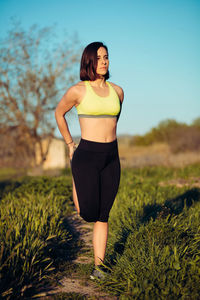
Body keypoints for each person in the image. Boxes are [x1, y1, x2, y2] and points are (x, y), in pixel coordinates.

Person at [55, 42, 124, 279]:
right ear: (89, 62)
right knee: (87, 213)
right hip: (86, 156)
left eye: (106, 57)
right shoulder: (78, 91)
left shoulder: (118, 91)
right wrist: (69, 144)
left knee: (103, 214)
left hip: (111, 156)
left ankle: (99, 268)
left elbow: (115, 120)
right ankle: (76, 179)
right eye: (98, 58)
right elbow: (58, 113)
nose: (104, 61)